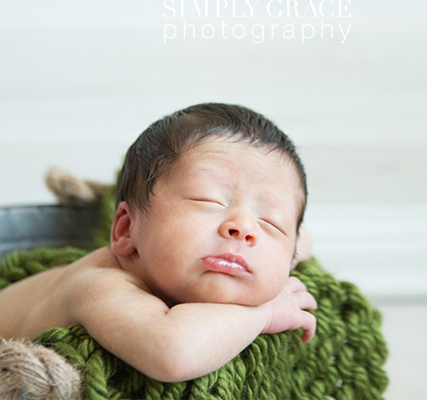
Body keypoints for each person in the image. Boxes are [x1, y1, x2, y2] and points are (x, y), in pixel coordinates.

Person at [0, 103, 317, 382]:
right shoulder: (101, 283)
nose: (245, 229)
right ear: (126, 230)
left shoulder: (272, 248)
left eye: (271, 222)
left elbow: (298, 241)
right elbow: (172, 352)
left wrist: (290, 249)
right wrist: (264, 313)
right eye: (208, 200)